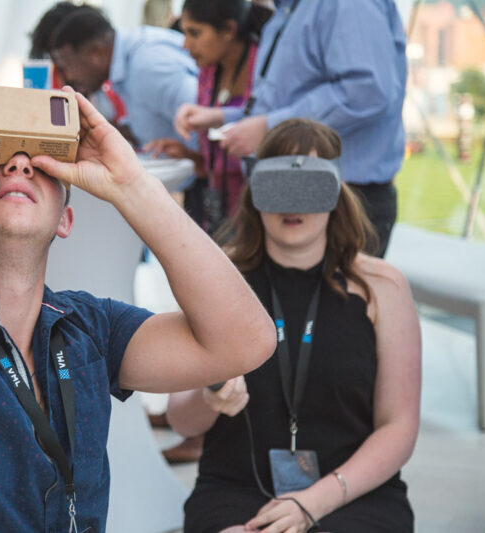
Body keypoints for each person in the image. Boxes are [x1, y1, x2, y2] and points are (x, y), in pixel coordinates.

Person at [0, 87, 276, 532]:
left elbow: (245, 341)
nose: (19, 164)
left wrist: (133, 185)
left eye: (39, 161)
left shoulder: (87, 328)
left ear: (66, 219)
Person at [167, 119, 420, 533]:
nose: (293, 203)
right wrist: (209, 396)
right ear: (256, 189)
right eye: (279, 183)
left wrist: (313, 503)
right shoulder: (216, 277)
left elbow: (398, 426)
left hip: (352, 492)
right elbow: (181, 421)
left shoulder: (382, 289)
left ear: (336, 191)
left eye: (309, 185)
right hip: (238, 490)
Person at [175, 0, 406, 257]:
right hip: (301, 192)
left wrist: (268, 128)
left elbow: (367, 91)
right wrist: (221, 116)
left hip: (341, 199)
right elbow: (283, 102)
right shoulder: (290, 10)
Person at [146, 0, 262, 233]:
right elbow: (218, 163)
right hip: (220, 216)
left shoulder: (262, 68)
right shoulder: (207, 73)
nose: (186, 45)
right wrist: (190, 156)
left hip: (260, 215)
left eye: (195, 33)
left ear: (229, 30)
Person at [49, 6, 198, 149]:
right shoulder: (127, 60)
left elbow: (201, 116)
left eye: (69, 66)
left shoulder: (147, 64)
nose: (69, 76)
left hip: (195, 172)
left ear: (96, 53)